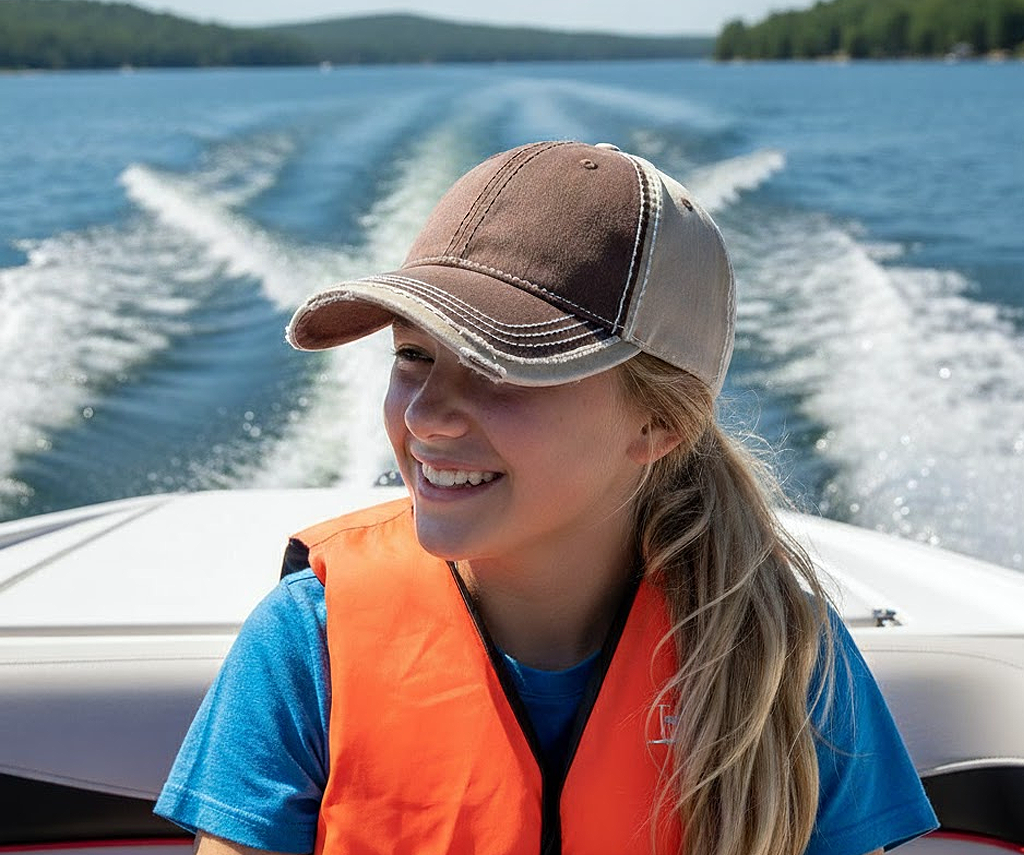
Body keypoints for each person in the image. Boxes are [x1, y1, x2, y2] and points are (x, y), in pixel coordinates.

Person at [156, 140, 937, 855]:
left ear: (660, 422)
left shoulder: (784, 657)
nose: (426, 416)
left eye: (500, 368)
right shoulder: (308, 644)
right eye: (413, 355)